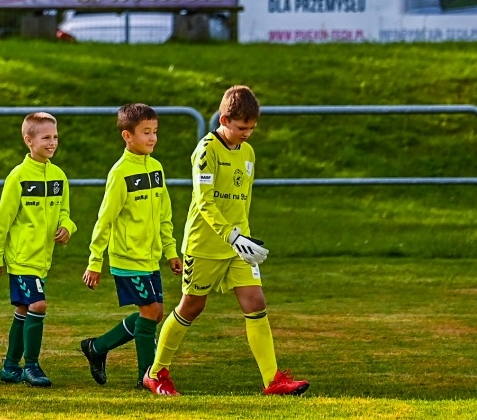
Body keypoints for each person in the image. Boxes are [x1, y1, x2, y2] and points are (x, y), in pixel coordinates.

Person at [144, 85, 310, 397]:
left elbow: (242, 201)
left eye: (251, 128)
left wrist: (243, 239)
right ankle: (155, 373)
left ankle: (272, 380)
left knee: (255, 303)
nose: (247, 134)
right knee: (192, 306)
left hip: (238, 247)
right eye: (241, 127)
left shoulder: (248, 153)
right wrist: (231, 235)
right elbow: (205, 202)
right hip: (205, 245)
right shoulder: (206, 150)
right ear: (224, 119)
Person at [80, 103, 181, 387]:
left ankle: (97, 347)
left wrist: (171, 251)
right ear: (127, 135)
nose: (152, 138)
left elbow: (164, 215)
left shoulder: (156, 167)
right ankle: (145, 378)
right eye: (145, 132)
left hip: (150, 258)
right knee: (149, 312)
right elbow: (105, 220)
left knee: (156, 314)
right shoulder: (120, 173)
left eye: (155, 131)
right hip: (127, 258)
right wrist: (95, 261)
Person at [0, 111, 76, 387]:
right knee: (38, 304)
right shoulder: (18, 177)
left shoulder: (59, 176)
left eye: (55, 137)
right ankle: (32, 366)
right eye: (46, 137)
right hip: (22, 259)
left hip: (43, 259)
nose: (52, 143)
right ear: (29, 140)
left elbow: (66, 213)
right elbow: (3, 219)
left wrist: (67, 227)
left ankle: (10, 366)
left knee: (25, 310)